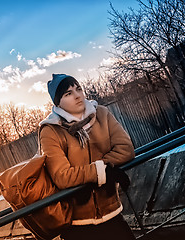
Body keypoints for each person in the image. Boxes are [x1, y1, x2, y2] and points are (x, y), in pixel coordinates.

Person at [39, 74, 136, 240]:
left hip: (112, 213)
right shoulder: (51, 131)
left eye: (78, 89)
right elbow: (62, 176)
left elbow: (126, 149)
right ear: (57, 102)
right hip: (77, 225)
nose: (77, 96)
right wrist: (102, 172)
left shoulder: (101, 114)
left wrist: (102, 169)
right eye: (68, 94)